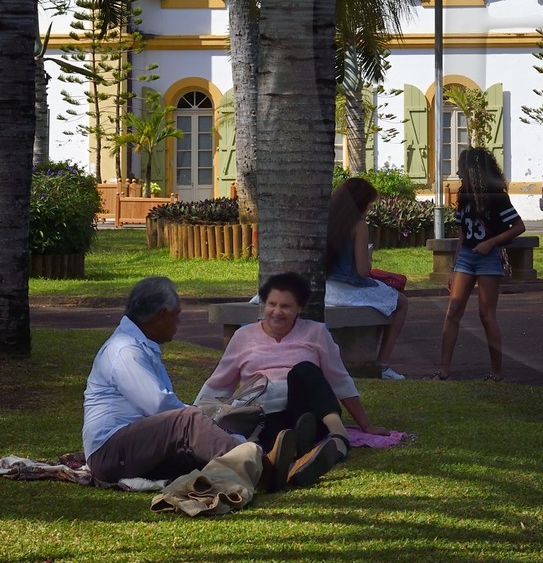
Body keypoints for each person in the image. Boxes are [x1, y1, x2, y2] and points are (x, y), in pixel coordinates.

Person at [196, 272, 385, 490]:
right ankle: (296, 454)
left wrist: (366, 424)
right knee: (279, 437)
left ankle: (338, 437)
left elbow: (339, 378)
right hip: (264, 414)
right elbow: (219, 382)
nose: (276, 312)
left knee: (304, 370)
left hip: (308, 410)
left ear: (300, 308)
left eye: (285, 306)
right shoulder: (243, 336)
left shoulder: (316, 332)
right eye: (271, 304)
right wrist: (193, 417)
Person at [83, 276, 251, 483]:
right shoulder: (125, 350)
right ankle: (258, 463)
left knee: (195, 451)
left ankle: (257, 457)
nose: (179, 322)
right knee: (188, 420)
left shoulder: (140, 346)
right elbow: (160, 407)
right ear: (161, 315)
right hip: (110, 453)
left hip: (132, 450)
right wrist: (202, 421)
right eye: (177, 315)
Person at [435, 147, 526, 381]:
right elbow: (463, 233)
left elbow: (518, 227)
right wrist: (455, 268)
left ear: (475, 170)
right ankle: (443, 370)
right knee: (453, 311)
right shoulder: (464, 195)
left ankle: (497, 373)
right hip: (466, 256)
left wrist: (491, 243)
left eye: (464, 168)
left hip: (489, 257)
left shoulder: (497, 196)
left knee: (486, 315)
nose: (459, 172)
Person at [324, 176, 409, 379]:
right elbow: (363, 270)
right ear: (361, 202)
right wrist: (369, 257)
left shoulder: (326, 218)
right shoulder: (359, 225)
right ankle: (382, 364)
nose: (369, 208)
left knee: (386, 299)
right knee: (401, 302)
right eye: (369, 204)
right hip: (348, 290)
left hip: (326, 287)